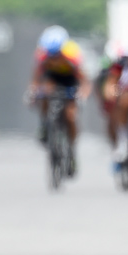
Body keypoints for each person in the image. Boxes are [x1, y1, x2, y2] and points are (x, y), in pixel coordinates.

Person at [28, 25, 88, 176]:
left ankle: (72, 151)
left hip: (70, 82)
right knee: (44, 96)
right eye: (50, 54)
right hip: (52, 80)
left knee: (70, 116)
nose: (53, 57)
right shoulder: (42, 55)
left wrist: (82, 94)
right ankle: (44, 125)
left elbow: (83, 79)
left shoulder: (72, 54)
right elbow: (36, 77)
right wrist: (33, 92)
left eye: (56, 54)